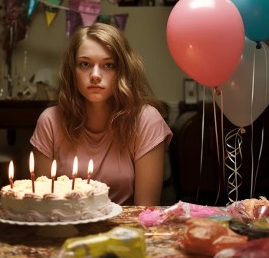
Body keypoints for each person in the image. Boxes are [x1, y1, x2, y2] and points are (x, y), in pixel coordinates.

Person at [30, 23, 173, 206]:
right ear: (71, 71)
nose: (95, 75)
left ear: (122, 70)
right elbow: (44, 206)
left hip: (125, 232)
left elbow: (145, 211)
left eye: (108, 65)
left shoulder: (146, 120)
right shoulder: (50, 120)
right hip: (64, 228)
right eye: (85, 64)